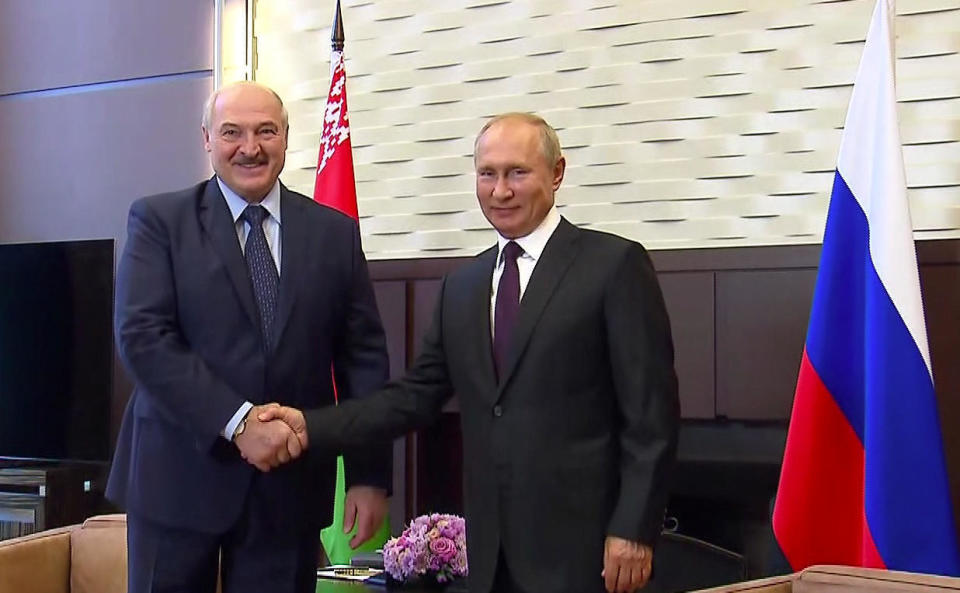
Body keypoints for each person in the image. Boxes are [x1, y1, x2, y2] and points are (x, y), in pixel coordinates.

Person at [261, 112, 680, 593]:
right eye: (488, 174)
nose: (501, 190)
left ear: (557, 173)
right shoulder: (463, 287)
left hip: (587, 552)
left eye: (517, 173)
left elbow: (652, 418)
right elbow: (412, 398)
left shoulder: (614, 266)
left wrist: (634, 528)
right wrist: (310, 425)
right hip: (491, 555)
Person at [106, 81, 391, 593]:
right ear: (207, 140)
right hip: (177, 476)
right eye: (232, 132)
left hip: (288, 486)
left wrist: (369, 475)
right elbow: (143, 338)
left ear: (286, 137)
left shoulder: (334, 233)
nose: (250, 147)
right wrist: (239, 424)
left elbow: (363, 361)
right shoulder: (159, 222)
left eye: (266, 131)